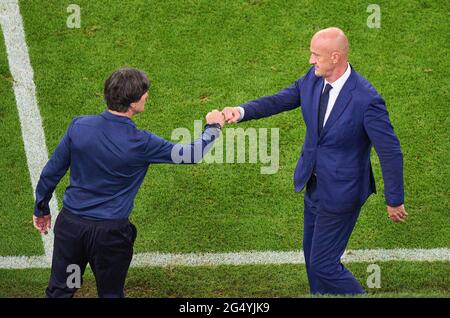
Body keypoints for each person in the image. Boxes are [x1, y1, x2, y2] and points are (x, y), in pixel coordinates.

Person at [221, 27, 407, 295]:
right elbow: (282, 99)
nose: (310, 60)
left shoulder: (366, 100)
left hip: (343, 192)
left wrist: (394, 200)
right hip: (314, 183)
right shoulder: (314, 78)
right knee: (312, 257)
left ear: (335, 57)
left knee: (323, 264)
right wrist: (241, 111)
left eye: (315, 55)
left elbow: (390, 151)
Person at [32, 67, 225, 298]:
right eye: (144, 93)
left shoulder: (79, 127)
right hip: (109, 236)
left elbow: (52, 172)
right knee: (111, 293)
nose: (147, 96)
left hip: (71, 229)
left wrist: (41, 209)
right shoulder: (142, 142)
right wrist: (213, 128)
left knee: (63, 289)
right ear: (133, 103)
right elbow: (191, 155)